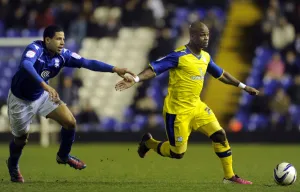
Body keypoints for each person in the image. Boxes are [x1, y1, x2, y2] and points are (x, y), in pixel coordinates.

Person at [115, 21, 259, 184]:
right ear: (192, 36)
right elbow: (155, 68)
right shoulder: (179, 55)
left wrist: (244, 86)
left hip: (197, 107)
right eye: (202, 35)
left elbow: (222, 74)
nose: (206, 38)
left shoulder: (205, 57)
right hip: (177, 112)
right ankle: (149, 143)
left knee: (220, 135)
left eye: (207, 35)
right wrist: (135, 78)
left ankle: (230, 176)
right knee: (177, 153)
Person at [7, 25, 134, 183]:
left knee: (70, 122)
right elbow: (26, 66)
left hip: (42, 96)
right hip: (21, 100)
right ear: (47, 40)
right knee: (21, 139)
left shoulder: (63, 55)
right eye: (58, 39)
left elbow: (87, 62)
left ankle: (63, 156)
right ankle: (13, 165)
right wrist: (45, 85)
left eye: (63, 39)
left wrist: (115, 69)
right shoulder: (35, 48)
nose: (62, 42)